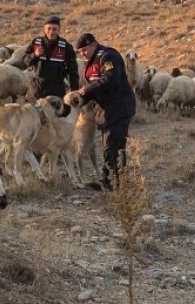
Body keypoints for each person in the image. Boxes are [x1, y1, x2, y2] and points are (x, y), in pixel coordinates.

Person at [74, 33, 136, 191]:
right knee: (110, 144)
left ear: (93, 44)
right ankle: (113, 178)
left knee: (113, 143)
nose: (82, 54)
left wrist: (87, 88)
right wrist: (80, 97)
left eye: (84, 50)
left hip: (119, 106)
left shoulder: (108, 56)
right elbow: (96, 87)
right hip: (104, 109)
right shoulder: (91, 61)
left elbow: (111, 79)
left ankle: (113, 182)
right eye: (79, 52)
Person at [22, 16, 80, 99]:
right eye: (48, 28)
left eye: (54, 29)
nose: (51, 32)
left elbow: (73, 72)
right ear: (44, 29)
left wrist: (74, 91)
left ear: (59, 30)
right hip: (36, 90)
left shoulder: (66, 46)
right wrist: (35, 55)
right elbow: (25, 61)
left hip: (57, 90)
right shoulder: (36, 42)